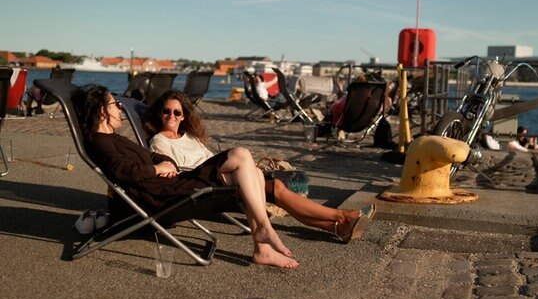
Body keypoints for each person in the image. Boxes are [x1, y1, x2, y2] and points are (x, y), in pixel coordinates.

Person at [73, 84, 299, 269]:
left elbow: (149, 155)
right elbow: (122, 171)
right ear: (103, 111)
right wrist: (157, 170)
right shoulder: (100, 142)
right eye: (115, 104)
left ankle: (262, 249)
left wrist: (164, 162)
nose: (120, 109)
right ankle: (264, 231)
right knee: (241, 155)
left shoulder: (113, 138)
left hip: (170, 183)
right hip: (162, 194)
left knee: (255, 173)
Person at [143, 90, 377, 244]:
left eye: (177, 112)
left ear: (184, 116)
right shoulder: (159, 141)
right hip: (202, 181)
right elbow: (173, 170)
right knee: (273, 185)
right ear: (159, 114)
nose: (171, 116)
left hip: (222, 175)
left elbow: (209, 157)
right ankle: (342, 217)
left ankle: (338, 227)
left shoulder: (189, 137)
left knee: (278, 190)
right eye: (166, 111)